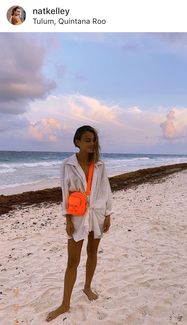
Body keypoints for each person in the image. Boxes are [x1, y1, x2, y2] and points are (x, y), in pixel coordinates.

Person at [46, 125, 112, 322]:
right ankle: (65, 304)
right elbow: (65, 193)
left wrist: (108, 214)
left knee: (92, 253)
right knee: (72, 261)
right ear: (77, 142)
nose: (92, 143)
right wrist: (67, 219)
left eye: (93, 140)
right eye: (87, 140)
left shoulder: (100, 164)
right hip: (77, 215)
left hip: (97, 214)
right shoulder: (67, 164)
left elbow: (106, 189)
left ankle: (87, 287)